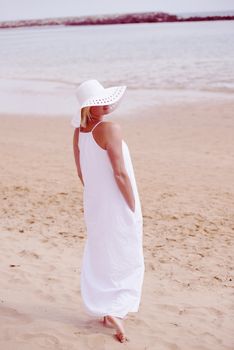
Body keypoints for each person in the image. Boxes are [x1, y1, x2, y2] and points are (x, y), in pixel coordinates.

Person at [71, 79, 145, 343]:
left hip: (95, 202)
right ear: (89, 106)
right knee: (126, 250)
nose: (105, 104)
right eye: (99, 101)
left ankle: (104, 308)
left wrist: (96, 195)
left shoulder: (79, 132)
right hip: (117, 200)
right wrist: (132, 204)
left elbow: (82, 172)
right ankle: (115, 311)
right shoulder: (111, 128)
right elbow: (120, 172)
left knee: (102, 250)